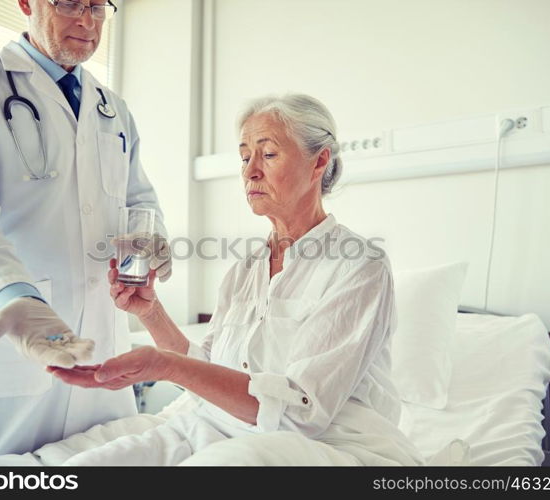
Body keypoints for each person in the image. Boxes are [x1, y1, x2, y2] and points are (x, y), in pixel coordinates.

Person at [46, 94, 424, 466]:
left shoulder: (358, 266)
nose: (249, 171)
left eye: (268, 154)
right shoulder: (245, 270)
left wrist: (166, 366)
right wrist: (150, 311)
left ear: (319, 162)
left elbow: (301, 414)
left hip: (323, 445)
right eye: (245, 157)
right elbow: (208, 367)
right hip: (216, 424)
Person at [0, 0, 171, 456]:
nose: (86, 20)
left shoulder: (113, 110)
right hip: (13, 346)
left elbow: (138, 200)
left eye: (98, 6)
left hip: (103, 342)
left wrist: (150, 243)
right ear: (26, 4)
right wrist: (13, 298)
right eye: (70, 2)